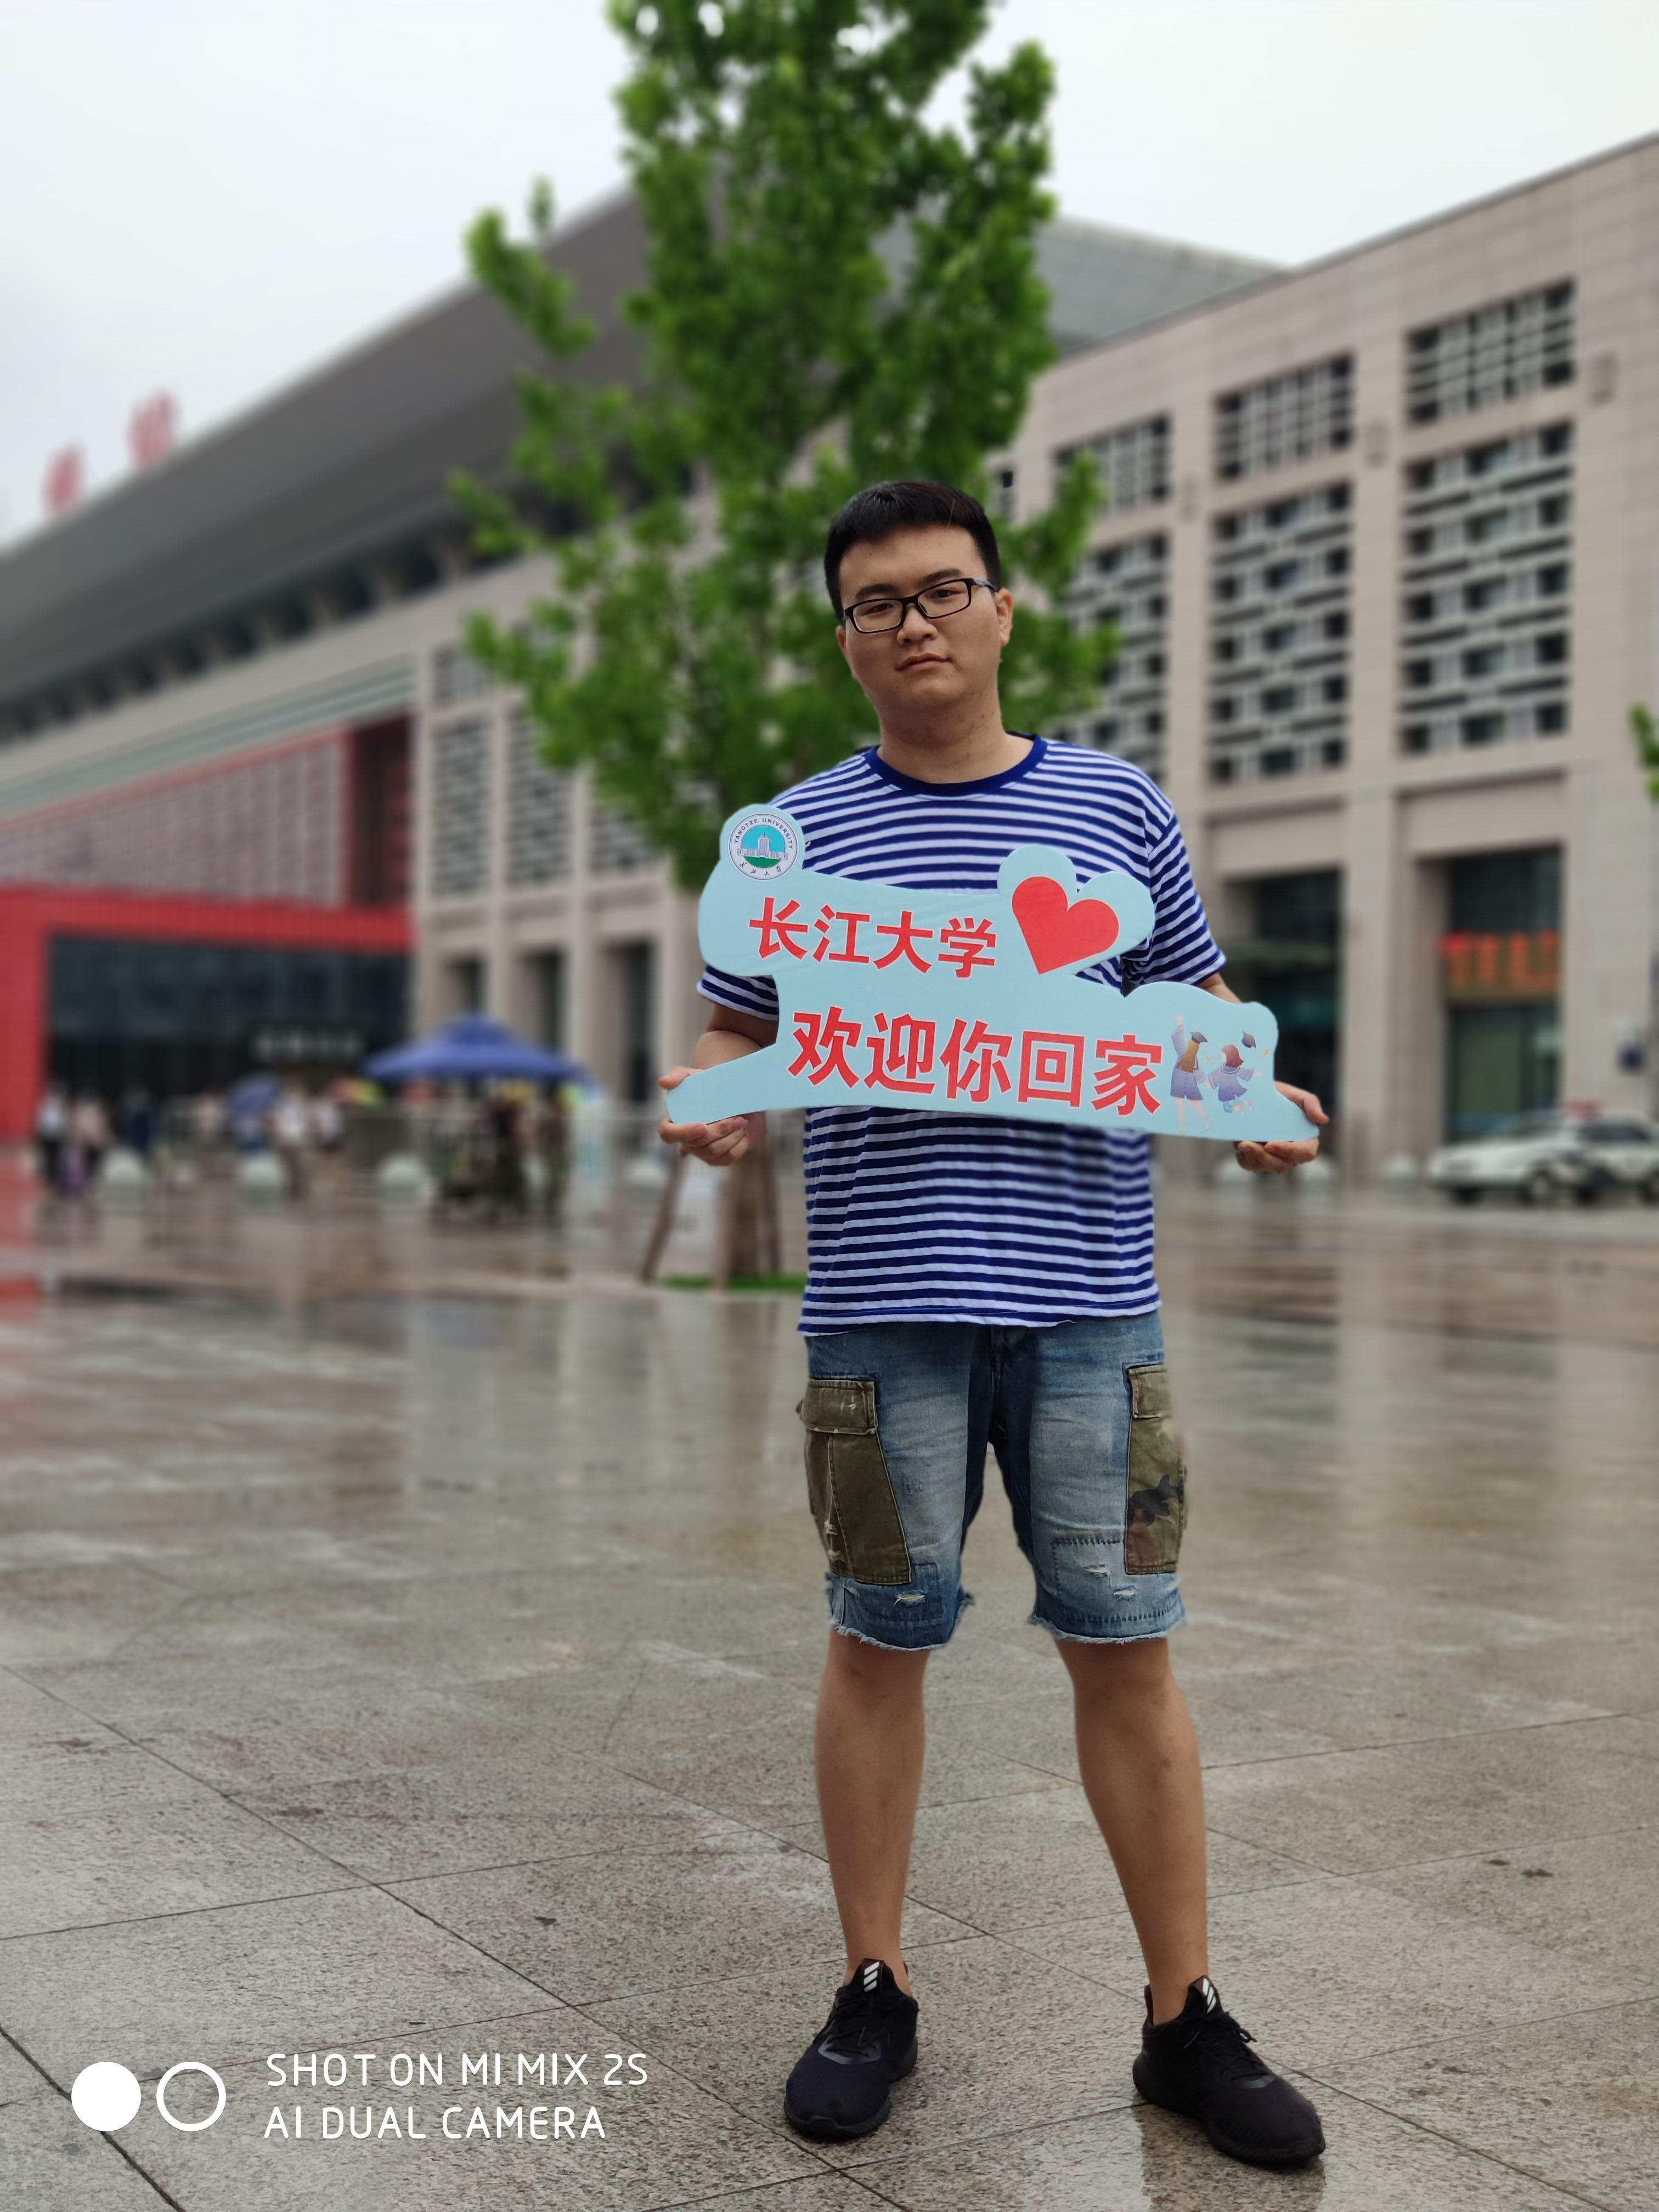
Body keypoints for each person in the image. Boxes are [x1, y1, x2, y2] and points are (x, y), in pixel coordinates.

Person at [657, 481, 1330, 2171]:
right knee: (878, 1639)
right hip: (881, 1318)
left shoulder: (1118, 808)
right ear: (845, 638)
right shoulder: (795, 838)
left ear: (1002, 608)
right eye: (878, 602)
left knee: (1129, 1644)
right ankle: (872, 1985)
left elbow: (1198, 1009)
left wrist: (1256, 1095)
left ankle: (1185, 2017)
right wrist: (715, 1106)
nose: (916, 623)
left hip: (1094, 1310)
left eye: (943, 589)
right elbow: (738, 1034)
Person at [33, 1083, 68, 1194]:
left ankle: (55, 1180)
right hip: (48, 1135)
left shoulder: (62, 1105)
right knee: (48, 1157)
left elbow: (64, 1120)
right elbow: (41, 1118)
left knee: (56, 1158)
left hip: (57, 1136)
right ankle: (48, 1179)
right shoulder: (46, 1103)